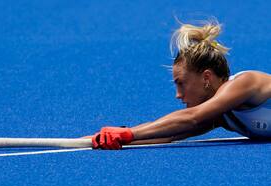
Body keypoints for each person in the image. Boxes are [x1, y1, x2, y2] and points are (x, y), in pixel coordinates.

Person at [91, 19, 271, 149]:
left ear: (206, 78)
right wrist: (104, 138)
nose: (178, 94)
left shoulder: (245, 82)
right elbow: (168, 134)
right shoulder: (221, 116)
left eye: (181, 83)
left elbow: (192, 116)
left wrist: (128, 133)